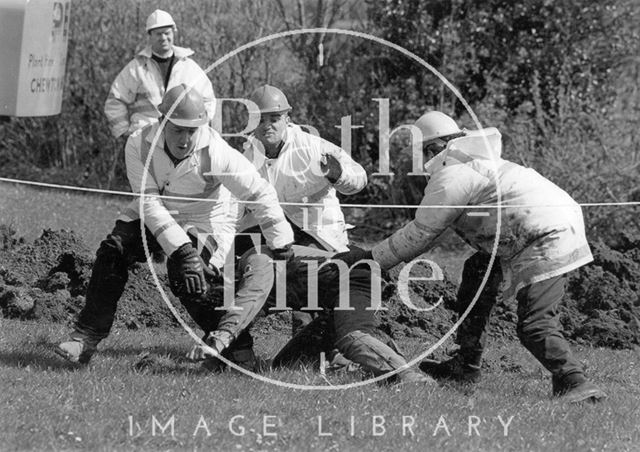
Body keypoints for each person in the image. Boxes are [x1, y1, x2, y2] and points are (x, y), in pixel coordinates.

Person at [338, 111, 607, 403]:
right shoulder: (472, 162)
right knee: (477, 271)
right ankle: (465, 365)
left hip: (544, 237)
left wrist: (370, 259)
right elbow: (435, 231)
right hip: (541, 228)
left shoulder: (453, 172)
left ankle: (574, 382)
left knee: (534, 323)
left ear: (430, 149)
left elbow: (422, 232)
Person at [56, 85, 293, 365]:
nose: (184, 139)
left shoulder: (217, 152)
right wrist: (182, 249)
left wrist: (281, 242)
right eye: (177, 129)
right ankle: (86, 337)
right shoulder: (138, 144)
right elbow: (148, 202)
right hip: (153, 211)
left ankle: (238, 347)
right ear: (161, 122)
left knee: (189, 278)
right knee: (114, 249)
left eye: (191, 131)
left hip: (204, 220)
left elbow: (259, 192)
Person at [187, 245, 433, 385]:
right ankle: (361, 361)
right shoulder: (244, 280)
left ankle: (408, 376)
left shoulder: (257, 257)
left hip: (355, 277)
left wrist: (221, 337)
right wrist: (214, 361)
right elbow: (244, 310)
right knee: (287, 364)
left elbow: (249, 298)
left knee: (353, 336)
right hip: (332, 300)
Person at [236, 84, 367, 336]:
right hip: (276, 234)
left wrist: (339, 176)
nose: (267, 126)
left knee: (308, 285)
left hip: (319, 235)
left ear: (287, 118)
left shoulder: (313, 147)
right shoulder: (245, 156)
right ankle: (237, 342)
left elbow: (360, 177)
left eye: (274, 118)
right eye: (260, 120)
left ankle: (321, 334)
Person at [104, 9, 215, 147]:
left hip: (181, 144)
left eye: (167, 33)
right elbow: (115, 100)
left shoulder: (189, 68)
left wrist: (196, 130)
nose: (163, 38)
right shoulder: (136, 69)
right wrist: (123, 132)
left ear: (173, 33)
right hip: (146, 141)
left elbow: (208, 100)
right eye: (158, 34)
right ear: (149, 36)